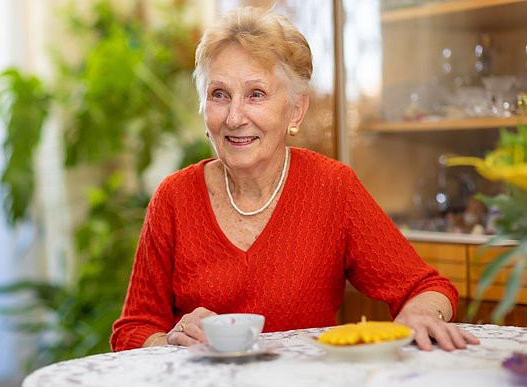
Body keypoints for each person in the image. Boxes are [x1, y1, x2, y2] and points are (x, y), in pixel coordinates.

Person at [111, 6, 479, 352]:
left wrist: (421, 312)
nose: (235, 117)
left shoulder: (332, 187)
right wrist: (171, 343)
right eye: (219, 94)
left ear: (296, 110)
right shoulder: (174, 197)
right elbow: (132, 330)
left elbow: (427, 287)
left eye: (256, 94)